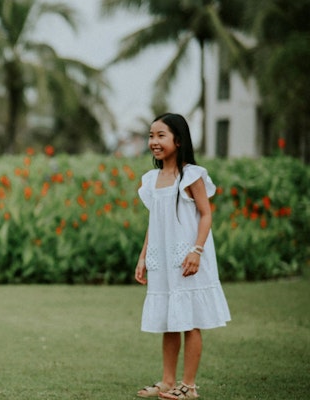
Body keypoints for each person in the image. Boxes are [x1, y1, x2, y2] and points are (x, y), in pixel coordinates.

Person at [134, 113, 231, 399]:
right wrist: (143, 258)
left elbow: (205, 214)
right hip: (163, 261)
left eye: (161, 135)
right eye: (151, 135)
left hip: (188, 259)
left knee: (189, 321)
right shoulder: (151, 180)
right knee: (169, 320)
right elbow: (155, 223)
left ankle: (188, 386)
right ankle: (167, 381)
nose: (154, 141)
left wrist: (196, 251)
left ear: (178, 140)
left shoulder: (191, 175)